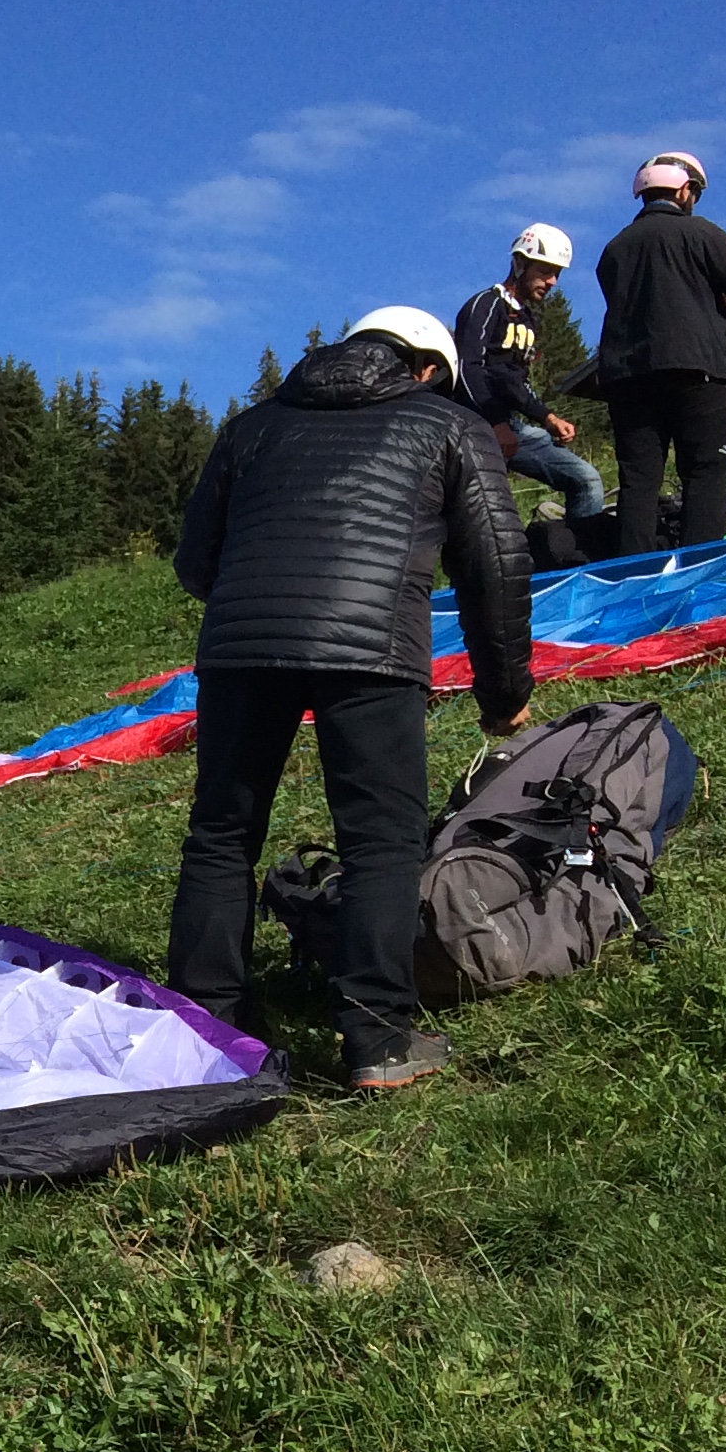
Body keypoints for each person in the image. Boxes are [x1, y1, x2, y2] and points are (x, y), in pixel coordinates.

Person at [167, 306, 533, 1092]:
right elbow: (496, 568)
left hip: (242, 647)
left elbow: (196, 558)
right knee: (380, 843)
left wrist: (250, 604)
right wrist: (505, 696)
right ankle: (375, 1041)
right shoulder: (445, 426)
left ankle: (207, 1032)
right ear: (427, 369)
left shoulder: (251, 427)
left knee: (222, 834)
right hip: (372, 651)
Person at [593, 151, 726, 552]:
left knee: (638, 480)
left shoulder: (614, 249)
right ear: (685, 191)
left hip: (627, 378)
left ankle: (633, 577)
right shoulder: (698, 233)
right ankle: (699, 574)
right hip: (695, 371)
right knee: (705, 471)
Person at [454, 224, 609, 528]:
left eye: (557, 274)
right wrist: (496, 425)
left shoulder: (528, 322)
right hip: (471, 427)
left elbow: (514, 381)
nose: (552, 282)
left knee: (587, 480)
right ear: (519, 263)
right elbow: (468, 368)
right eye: (545, 271)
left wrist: (548, 417)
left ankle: (578, 566)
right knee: (490, 519)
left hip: (511, 427)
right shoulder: (485, 305)